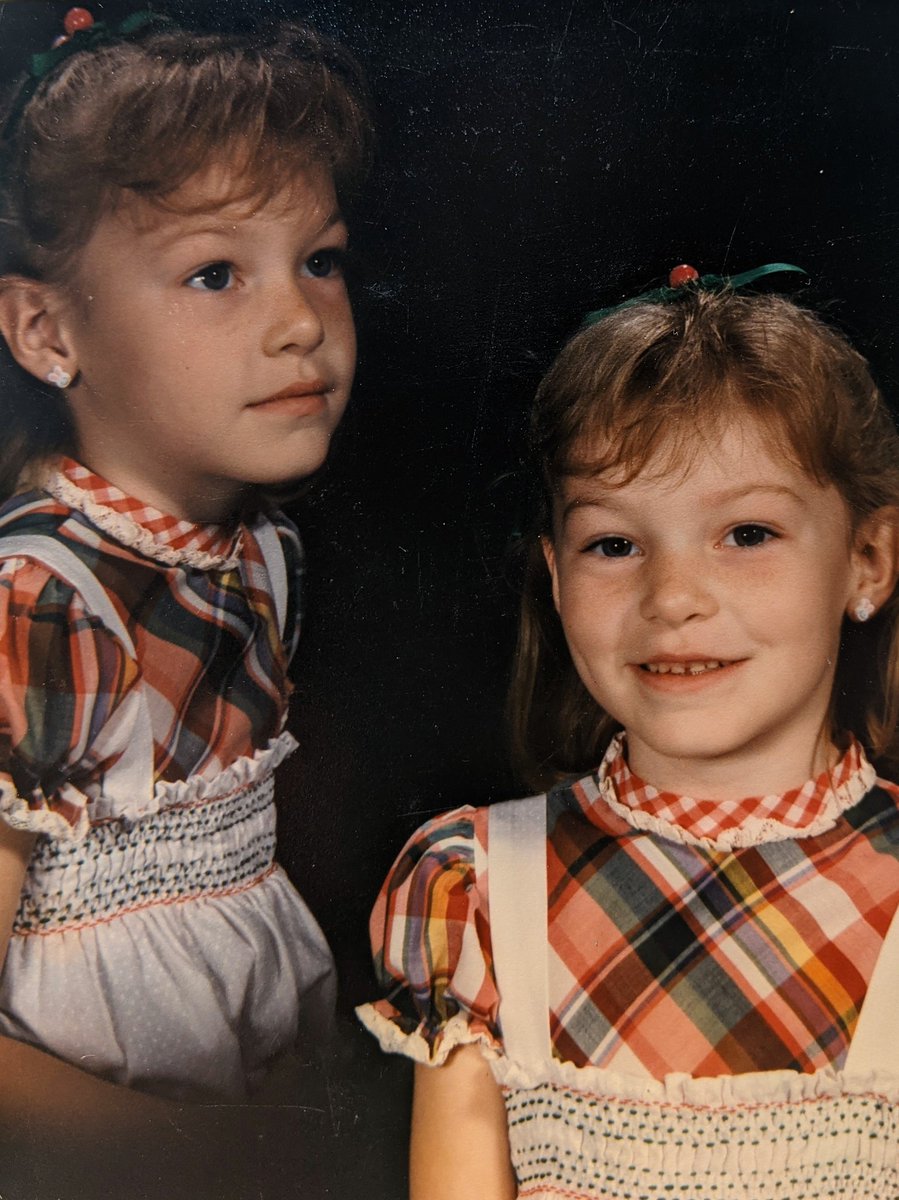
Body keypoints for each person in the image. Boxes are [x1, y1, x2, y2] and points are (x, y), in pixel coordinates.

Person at [359, 272, 899, 1199]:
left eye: (746, 532)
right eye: (614, 544)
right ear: (557, 578)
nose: (673, 598)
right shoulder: (477, 889)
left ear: (867, 561)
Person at [0, 5, 370, 1171]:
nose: (300, 320)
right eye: (216, 272)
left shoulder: (259, 554)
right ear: (47, 328)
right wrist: (194, 1156)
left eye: (319, 259)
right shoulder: (38, 603)